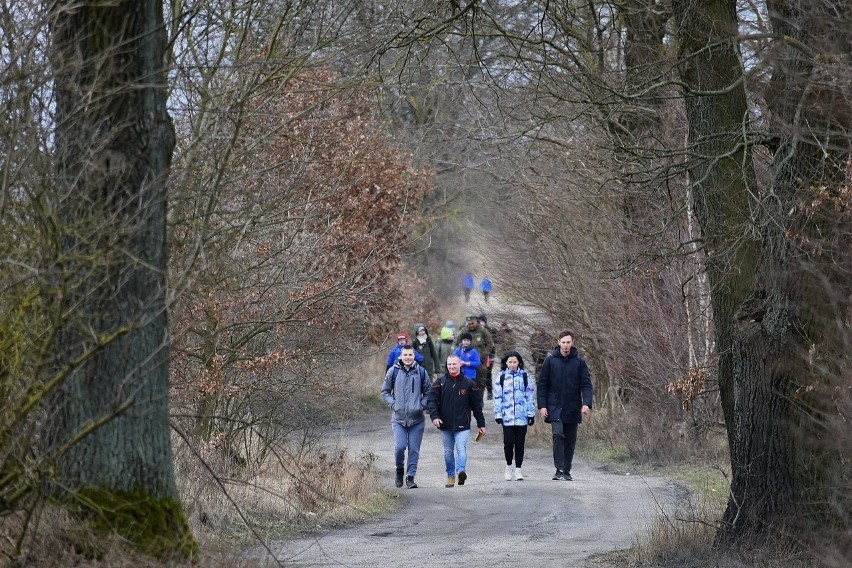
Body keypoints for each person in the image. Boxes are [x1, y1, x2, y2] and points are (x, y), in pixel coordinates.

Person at [536, 331, 593, 481]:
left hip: (573, 406)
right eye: (563, 342)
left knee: (570, 440)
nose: (566, 345)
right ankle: (559, 468)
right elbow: (542, 385)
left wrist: (587, 404)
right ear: (558, 342)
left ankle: (566, 470)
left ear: (572, 342)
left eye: (568, 342)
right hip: (554, 406)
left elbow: (586, 385)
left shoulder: (579, 362)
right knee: (557, 434)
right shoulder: (550, 361)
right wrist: (542, 406)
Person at [427, 354, 487, 487]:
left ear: (460, 364)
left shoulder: (469, 384)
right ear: (447, 366)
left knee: (461, 448)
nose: (452, 367)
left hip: (463, 425)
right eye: (449, 364)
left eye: (454, 364)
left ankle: (461, 471)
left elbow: (477, 406)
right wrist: (435, 417)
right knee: (448, 451)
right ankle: (450, 476)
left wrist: (481, 424)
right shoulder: (440, 383)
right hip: (445, 425)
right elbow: (431, 401)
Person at [381, 345, 432, 489]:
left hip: (417, 419)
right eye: (405, 355)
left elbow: (429, 392)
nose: (408, 357)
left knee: (414, 449)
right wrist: (394, 405)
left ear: (414, 356)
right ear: (401, 356)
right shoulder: (393, 371)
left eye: (410, 355)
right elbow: (385, 391)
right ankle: (399, 470)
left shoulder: (421, 372)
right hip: (398, 419)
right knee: (400, 447)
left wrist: (421, 405)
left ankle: (410, 477)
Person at [494, 350, 535, 481]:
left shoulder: (525, 377)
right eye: (510, 362)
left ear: (519, 363)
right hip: (507, 417)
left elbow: (529, 396)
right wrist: (498, 413)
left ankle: (518, 470)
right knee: (508, 443)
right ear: (506, 363)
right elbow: (497, 397)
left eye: (515, 362)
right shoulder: (501, 377)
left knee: (520, 443)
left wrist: (530, 413)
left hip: (522, 417)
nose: (512, 364)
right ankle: (508, 466)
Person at [456, 315, 493, 396]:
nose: (471, 325)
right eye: (469, 324)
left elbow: (490, 344)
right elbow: (456, 343)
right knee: (466, 383)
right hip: (466, 363)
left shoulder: (482, 330)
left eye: (472, 323)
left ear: (476, 322)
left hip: (480, 361)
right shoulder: (464, 331)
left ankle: (479, 401)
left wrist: (484, 354)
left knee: (480, 382)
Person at [478, 314, 497, 400]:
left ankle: (489, 392)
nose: (481, 323)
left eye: (482, 321)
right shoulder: (477, 331)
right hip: (480, 355)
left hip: (490, 355)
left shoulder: (491, 330)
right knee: (480, 374)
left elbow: (496, 340)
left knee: (488, 373)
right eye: (480, 321)